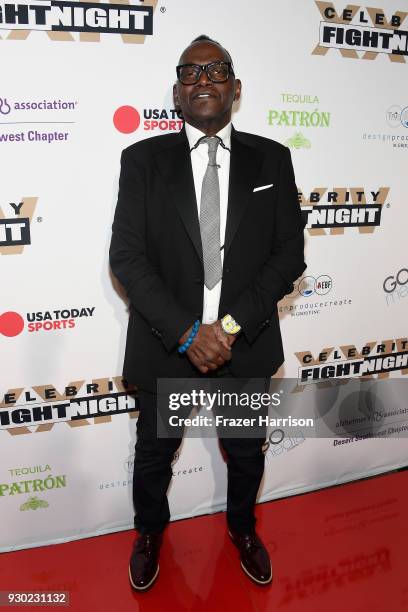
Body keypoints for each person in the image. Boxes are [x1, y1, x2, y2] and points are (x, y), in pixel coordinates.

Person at [109, 34, 306, 591]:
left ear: (235, 88)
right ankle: (149, 533)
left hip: (243, 346)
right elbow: (127, 256)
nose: (203, 79)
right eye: (190, 72)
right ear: (176, 91)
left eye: (216, 70)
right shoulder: (142, 161)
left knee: (246, 455)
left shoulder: (273, 158)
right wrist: (188, 333)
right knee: (154, 458)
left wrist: (230, 327)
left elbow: (288, 254)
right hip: (169, 347)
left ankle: (243, 529)